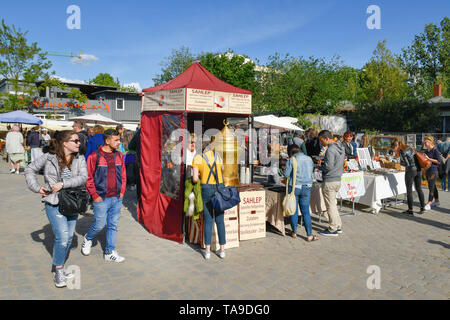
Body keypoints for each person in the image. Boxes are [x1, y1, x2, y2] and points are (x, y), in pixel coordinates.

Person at [24, 130, 88, 288]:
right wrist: (37, 188)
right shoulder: (49, 157)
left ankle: (59, 265)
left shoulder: (80, 158)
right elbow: (29, 169)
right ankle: (58, 270)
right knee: (63, 237)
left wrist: (63, 184)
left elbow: (83, 177)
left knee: (68, 239)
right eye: (75, 141)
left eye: (78, 141)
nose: (79, 143)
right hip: (54, 201)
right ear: (65, 143)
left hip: (73, 202)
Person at [82, 129, 127, 262]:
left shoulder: (119, 155)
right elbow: (88, 178)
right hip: (101, 197)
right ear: (107, 141)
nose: (119, 142)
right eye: (116, 140)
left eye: (119, 139)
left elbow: (123, 175)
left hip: (117, 198)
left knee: (113, 225)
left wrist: (122, 192)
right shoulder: (94, 156)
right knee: (100, 224)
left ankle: (109, 252)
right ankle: (88, 238)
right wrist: (95, 195)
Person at [192, 140, 226, 260]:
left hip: (206, 189)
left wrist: (201, 174)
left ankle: (207, 251)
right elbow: (222, 169)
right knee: (220, 220)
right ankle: (222, 250)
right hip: (219, 187)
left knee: (208, 220)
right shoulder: (218, 156)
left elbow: (195, 179)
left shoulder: (197, 158)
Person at [283, 145, 318, 241]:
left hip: (294, 187)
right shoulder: (309, 159)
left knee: (293, 210)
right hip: (307, 187)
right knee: (306, 211)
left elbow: (286, 174)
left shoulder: (292, 160)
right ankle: (309, 235)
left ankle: (294, 232)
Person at [317, 130, 345, 237]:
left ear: (326, 138)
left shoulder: (330, 150)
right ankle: (337, 226)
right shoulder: (340, 147)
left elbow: (328, 166)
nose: (321, 143)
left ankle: (332, 228)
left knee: (330, 206)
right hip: (337, 179)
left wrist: (319, 167)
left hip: (330, 180)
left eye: (321, 140)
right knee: (333, 204)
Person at [391, 141, 425, 215]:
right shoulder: (410, 148)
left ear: (396, 146)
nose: (394, 150)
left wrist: (400, 162)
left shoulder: (402, 151)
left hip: (410, 171)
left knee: (409, 190)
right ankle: (423, 207)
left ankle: (410, 210)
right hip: (418, 170)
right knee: (419, 188)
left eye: (394, 149)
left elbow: (407, 164)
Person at [422, 135, 442, 210]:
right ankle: (436, 201)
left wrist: (429, 159)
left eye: (426, 141)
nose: (424, 143)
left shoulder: (435, 150)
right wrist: (423, 169)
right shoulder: (426, 151)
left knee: (431, 187)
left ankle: (429, 203)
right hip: (427, 170)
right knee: (433, 186)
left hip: (434, 170)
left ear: (430, 142)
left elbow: (439, 161)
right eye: (424, 141)